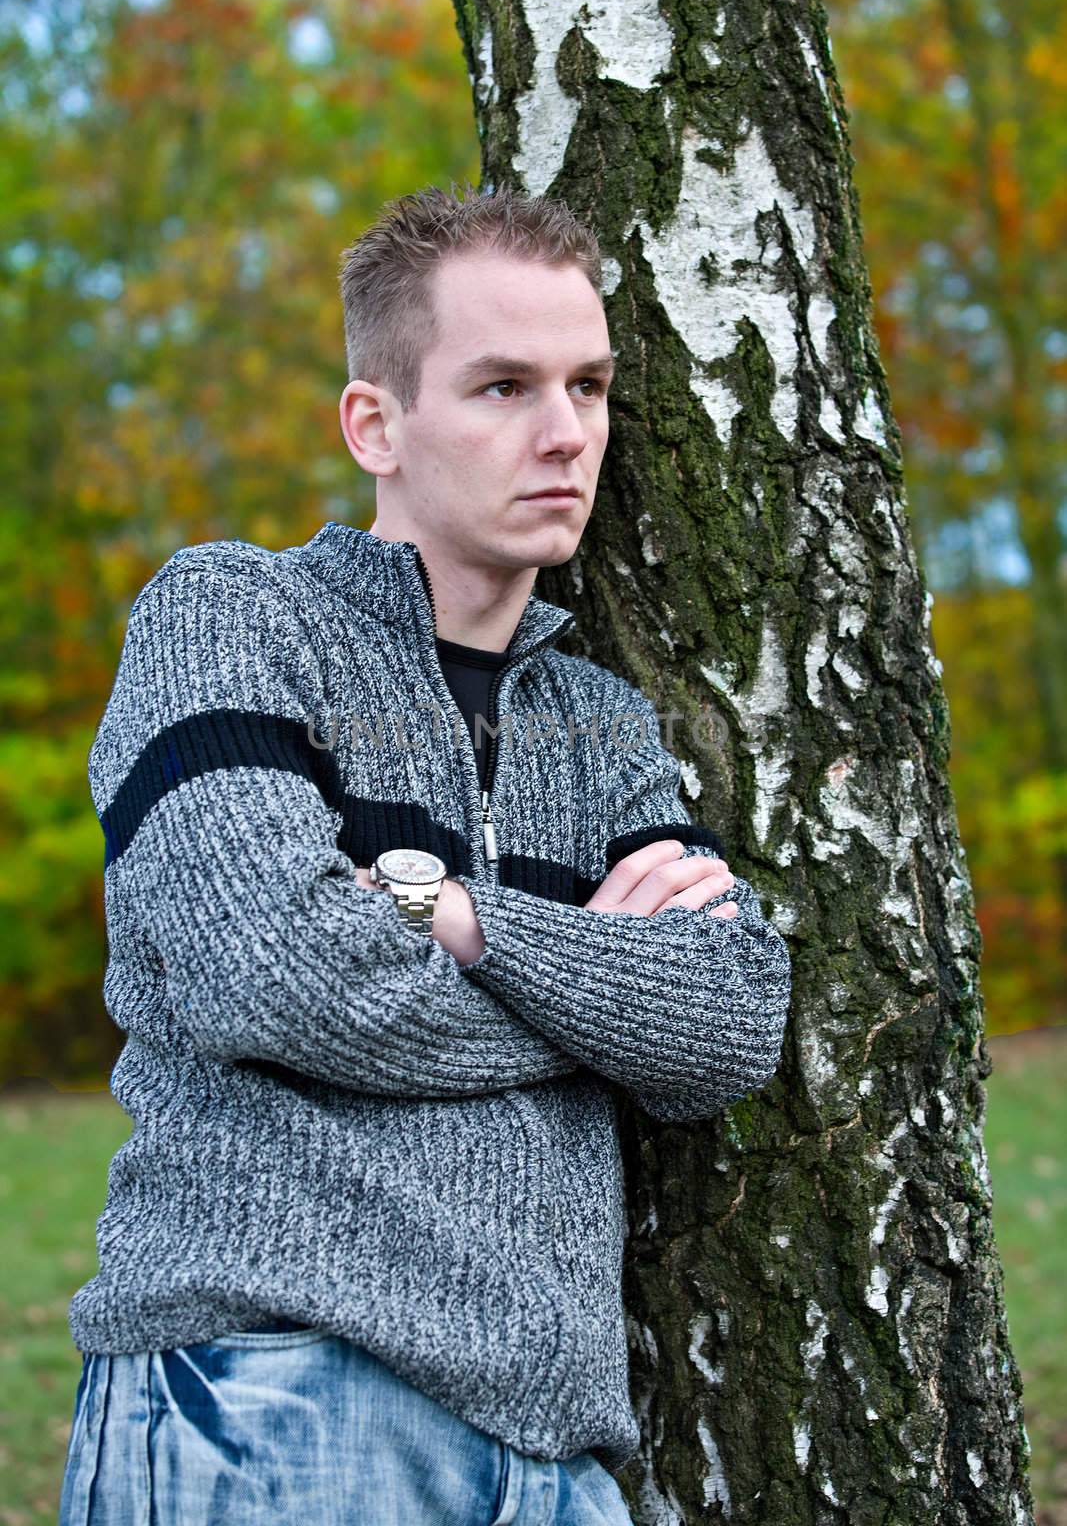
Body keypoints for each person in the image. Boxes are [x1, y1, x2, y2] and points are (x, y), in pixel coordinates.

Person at [58, 181, 791, 1524]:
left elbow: (728, 1025)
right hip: (269, 1403)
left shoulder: (597, 718)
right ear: (376, 423)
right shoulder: (232, 617)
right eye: (505, 387)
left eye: (591, 385)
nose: (568, 434)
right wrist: (599, 994)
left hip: (559, 1461)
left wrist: (456, 915)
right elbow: (272, 969)